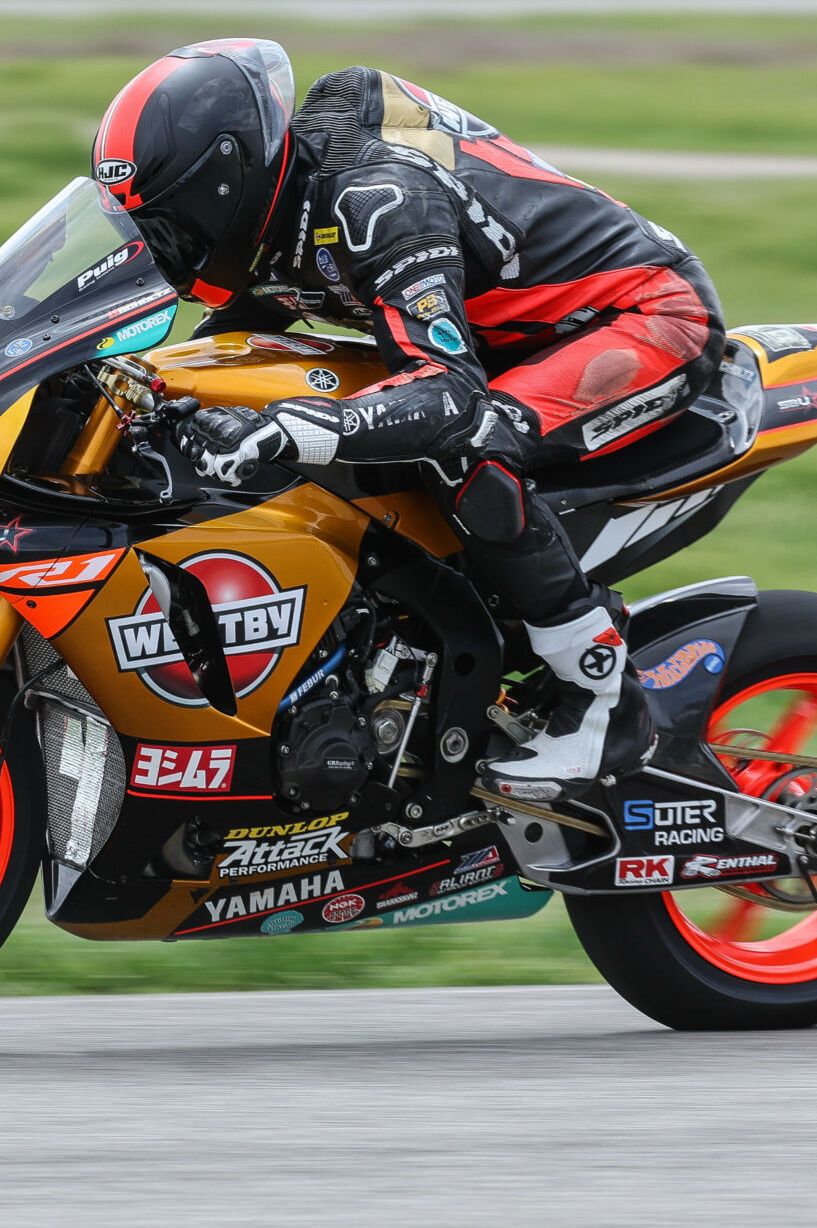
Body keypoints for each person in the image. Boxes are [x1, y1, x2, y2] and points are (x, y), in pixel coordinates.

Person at [92, 39, 726, 802]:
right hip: (511, 342)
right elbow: (227, 350)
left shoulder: (375, 201)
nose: (160, 249)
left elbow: (449, 393)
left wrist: (292, 427)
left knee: (471, 442)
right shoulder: (274, 206)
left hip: (640, 321)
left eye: (168, 224)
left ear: (226, 182)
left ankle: (607, 702)